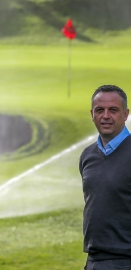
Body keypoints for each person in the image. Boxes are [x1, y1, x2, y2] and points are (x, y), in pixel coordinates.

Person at [79, 85, 131, 270]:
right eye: (100, 110)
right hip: (94, 260)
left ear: (125, 114)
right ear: (92, 114)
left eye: (113, 110)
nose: (106, 116)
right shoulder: (87, 156)